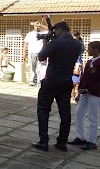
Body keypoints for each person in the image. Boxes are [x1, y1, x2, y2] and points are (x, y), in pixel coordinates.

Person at [31, 21, 82, 152]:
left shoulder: (55, 43)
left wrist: (45, 43)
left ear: (58, 30)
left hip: (52, 80)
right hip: (66, 81)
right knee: (65, 112)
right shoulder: (78, 44)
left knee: (43, 110)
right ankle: (62, 142)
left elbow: (41, 57)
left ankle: (43, 141)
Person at [68, 41, 100, 150]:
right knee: (79, 113)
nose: (87, 51)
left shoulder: (99, 62)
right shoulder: (89, 61)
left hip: (95, 93)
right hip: (84, 92)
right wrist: (79, 90)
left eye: (90, 49)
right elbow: (84, 77)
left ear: (96, 50)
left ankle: (92, 141)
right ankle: (80, 137)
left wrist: (88, 89)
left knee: (92, 116)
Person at [23, 21, 46, 86]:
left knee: (39, 68)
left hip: (40, 53)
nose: (37, 27)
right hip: (32, 52)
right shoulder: (30, 34)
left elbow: (49, 29)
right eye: (36, 26)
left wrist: (41, 25)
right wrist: (24, 52)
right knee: (32, 68)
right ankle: (32, 81)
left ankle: (39, 81)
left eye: (38, 26)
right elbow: (26, 43)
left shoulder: (43, 33)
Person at [71, 32, 85, 101]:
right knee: (74, 79)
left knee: (76, 79)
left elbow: (79, 53)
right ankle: (73, 94)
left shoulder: (79, 44)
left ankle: (76, 95)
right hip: (76, 62)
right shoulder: (78, 44)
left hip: (77, 62)